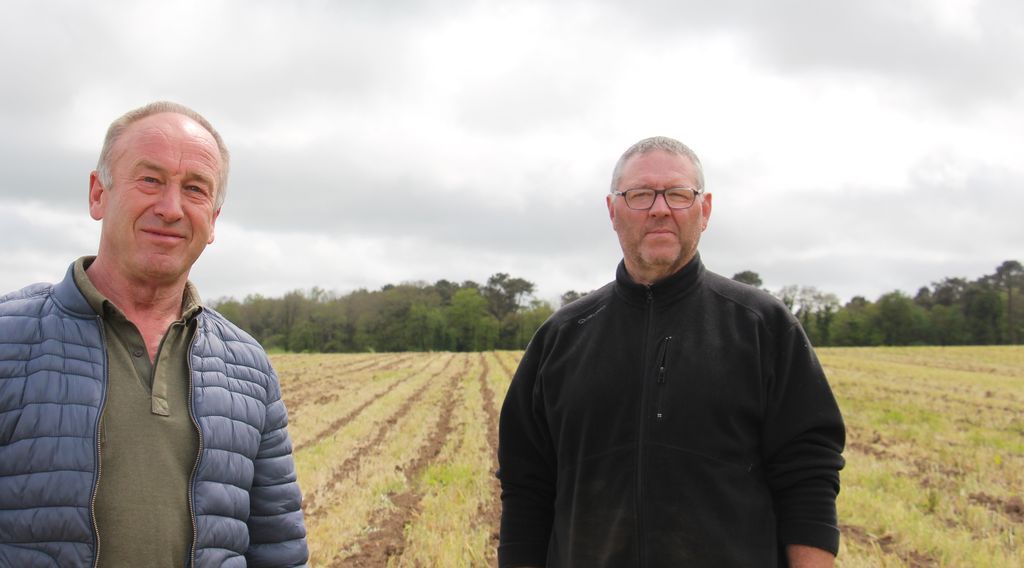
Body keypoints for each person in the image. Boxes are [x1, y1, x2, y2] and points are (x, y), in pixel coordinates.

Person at [497, 136, 845, 567]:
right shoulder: (561, 338)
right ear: (612, 210)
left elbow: (808, 471)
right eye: (640, 195)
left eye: (679, 194)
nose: (660, 209)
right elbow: (526, 486)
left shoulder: (762, 326)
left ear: (705, 210)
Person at [0, 102, 308, 567]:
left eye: (195, 189)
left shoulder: (249, 368)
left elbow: (277, 548)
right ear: (98, 194)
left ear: (214, 219)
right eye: (150, 180)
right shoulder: (8, 339)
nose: (170, 208)